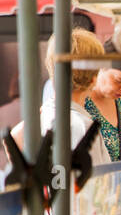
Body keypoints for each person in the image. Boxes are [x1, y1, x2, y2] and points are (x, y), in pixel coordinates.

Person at [10, 29, 109, 169]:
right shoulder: (82, 126)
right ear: (94, 80)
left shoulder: (40, 117)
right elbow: (95, 185)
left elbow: (13, 139)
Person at [0, 74, 21, 186]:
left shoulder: (1, 111)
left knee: (7, 201)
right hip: (29, 162)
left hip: (4, 162)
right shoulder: (37, 110)